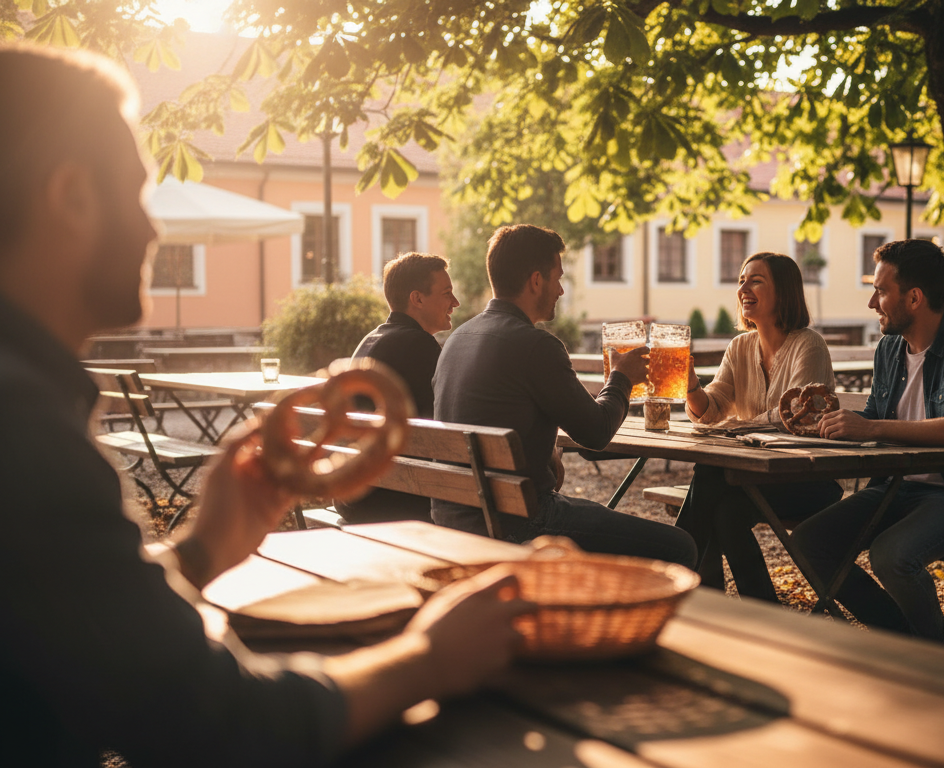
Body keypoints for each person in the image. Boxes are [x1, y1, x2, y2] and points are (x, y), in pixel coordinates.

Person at [0, 44, 533, 768]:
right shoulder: (23, 427)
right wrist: (429, 657)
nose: (155, 229)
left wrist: (203, 547)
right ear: (71, 195)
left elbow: (88, 627)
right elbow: (219, 721)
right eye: (136, 191)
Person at [791, 239, 944, 645]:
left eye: (881, 291)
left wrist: (872, 430)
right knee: (810, 542)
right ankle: (899, 643)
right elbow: (874, 419)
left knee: (891, 556)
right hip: (897, 489)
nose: (871, 303)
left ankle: (936, 660)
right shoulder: (890, 349)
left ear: (914, 298)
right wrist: (829, 422)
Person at [431, 224, 697, 568]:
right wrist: (621, 377)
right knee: (681, 547)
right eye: (557, 278)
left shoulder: (458, 339)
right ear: (536, 280)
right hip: (518, 523)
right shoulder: (536, 345)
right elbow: (595, 434)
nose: (559, 289)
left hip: (456, 519)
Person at [676, 252, 842, 601]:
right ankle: (754, 605)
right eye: (741, 280)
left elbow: (791, 416)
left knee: (709, 477)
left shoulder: (808, 345)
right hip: (755, 475)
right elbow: (713, 409)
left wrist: (735, 427)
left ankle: (676, 568)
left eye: (756, 280)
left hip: (809, 477)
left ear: (783, 292)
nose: (743, 288)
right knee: (724, 511)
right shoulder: (739, 347)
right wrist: (690, 386)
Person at [335, 252, 459, 524]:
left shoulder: (372, 339)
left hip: (353, 494)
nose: (455, 303)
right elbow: (451, 424)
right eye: (447, 293)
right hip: (392, 501)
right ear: (417, 299)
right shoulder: (418, 346)